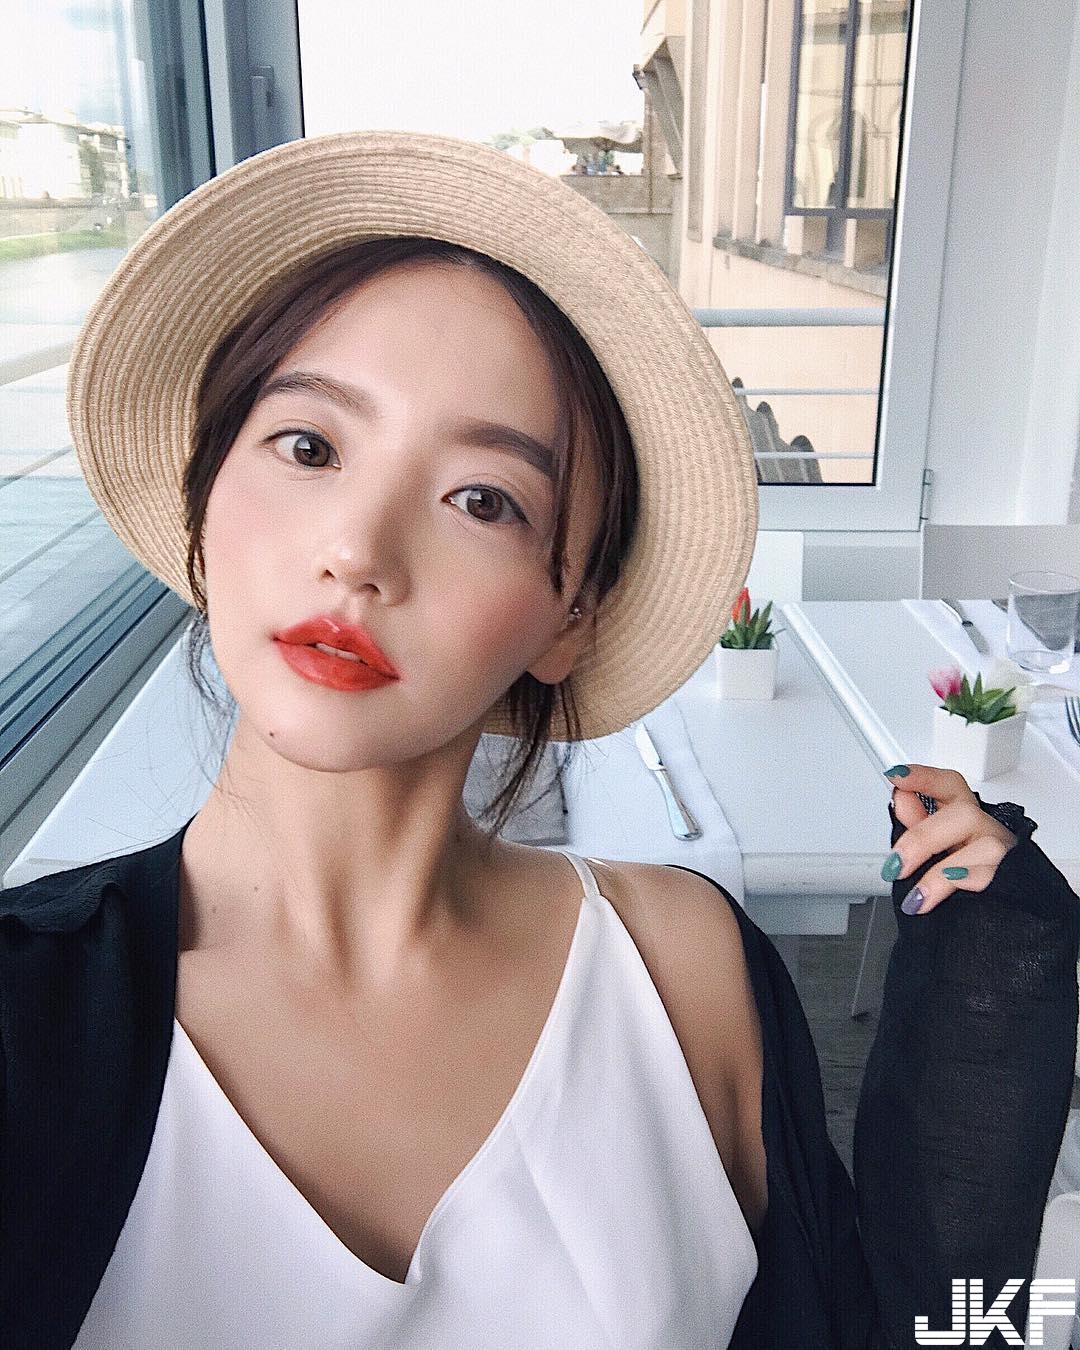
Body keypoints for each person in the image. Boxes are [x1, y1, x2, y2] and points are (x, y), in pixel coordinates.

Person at [1, 130, 1077, 1349]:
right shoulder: (27, 1019)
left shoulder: (688, 971)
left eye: (484, 500)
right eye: (308, 447)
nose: (357, 550)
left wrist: (990, 974)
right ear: (205, 502)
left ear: (569, 619)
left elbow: (906, 1323)